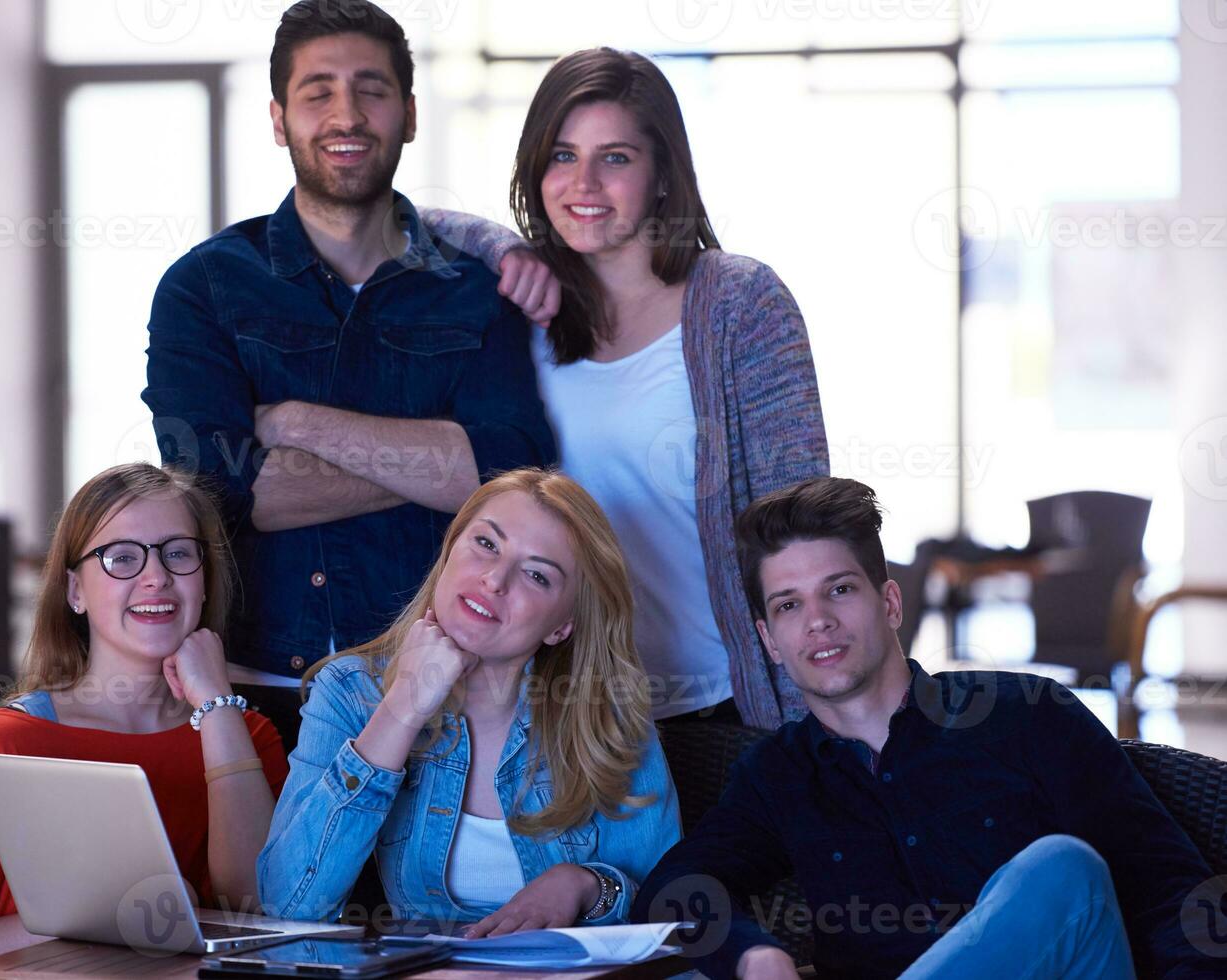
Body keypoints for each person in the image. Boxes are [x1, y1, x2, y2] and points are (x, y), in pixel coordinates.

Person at [142, 0, 555, 745]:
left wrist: (295, 424)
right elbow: (220, 489)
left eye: (371, 89)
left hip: (443, 688)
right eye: (317, 91)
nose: (347, 113)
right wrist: (439, 461)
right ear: (278, 119)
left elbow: (508, 473)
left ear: (409, 113)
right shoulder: (203, 288)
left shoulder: (474, 292)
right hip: (254, 691)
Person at [634, 477, 1219, 980]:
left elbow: (1171, 896)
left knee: (1063, 869)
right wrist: (749, 953)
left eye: (839, 589)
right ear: (769, 641)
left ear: (890, 603)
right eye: (788, 605)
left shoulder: (1027, 713)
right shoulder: (777, 775)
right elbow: (673, 890)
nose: (818, 621)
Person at [422, 48, 827, 730]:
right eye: (560, 156)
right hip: (560, 708)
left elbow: (803, 523)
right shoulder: (518, 308)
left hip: (720, 701)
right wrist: (503, 246)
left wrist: (812, 713)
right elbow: (407, 222)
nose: (582, 183)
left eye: (614, 158)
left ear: (662, 174)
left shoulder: (737, 303)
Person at [0, 464, 289, 979]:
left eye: (179, 553)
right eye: (121, 558)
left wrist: (215, 706)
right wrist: (100, 919)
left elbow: (258, 911)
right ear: (75, 591)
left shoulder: (246, 734)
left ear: (204, 581)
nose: (156, 576)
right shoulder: (9, 742)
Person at [257, 468, 680, 932]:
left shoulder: (608, 713)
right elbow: (288, 904)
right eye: (486, 544)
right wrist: (403, 708)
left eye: (537, 575)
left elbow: (663, 914)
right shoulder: (349, 692)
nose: (496, 580)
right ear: (449, 552)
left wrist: (584, 885)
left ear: (562, 625)